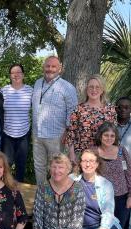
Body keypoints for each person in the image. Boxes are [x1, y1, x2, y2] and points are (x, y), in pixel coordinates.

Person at [32, 56, 78, 184]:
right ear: (43, 67)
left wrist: (68, 133)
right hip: (37, 134)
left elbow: (72, 114)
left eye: (53, 66)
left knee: (57, 168)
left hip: (56, 136)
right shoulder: (37, 83)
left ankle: (56, 196)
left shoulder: (67, 87)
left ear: (60, 68)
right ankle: (41, 194)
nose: (50, 69)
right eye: (48, 66)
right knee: (39, 167)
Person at [95, 122, 131, 229]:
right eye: (106, 135)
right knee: (100, 226)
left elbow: (130, 173)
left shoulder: (121, 151)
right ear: (100, 136)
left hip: (121, 197)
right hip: (99, 198)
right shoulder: (93, 151)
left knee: (117, 228)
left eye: (112, 135)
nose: (109, 138)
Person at [65, 74, 117, 166]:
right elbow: (71, 134)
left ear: (102, 90)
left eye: (97, 87)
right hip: (81, 155)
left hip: (103, 156)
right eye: (91, 87)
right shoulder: (78, 109)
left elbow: (113, 134)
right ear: (86, 89)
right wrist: (72, 155)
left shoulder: (110, 110)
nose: (94, 90)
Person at [0, 63, 33, 182]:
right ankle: (5, 188)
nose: (16, 75)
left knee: (21, 164)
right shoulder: (3, 91)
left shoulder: (30, 90)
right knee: (6, 164)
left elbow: (37, 111)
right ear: (10, 76)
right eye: (13, 73)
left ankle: (19, 192)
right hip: (7, 134)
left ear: (23, 75)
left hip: (24, 134)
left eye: (19, 72)